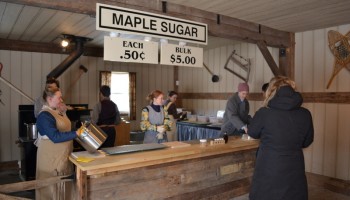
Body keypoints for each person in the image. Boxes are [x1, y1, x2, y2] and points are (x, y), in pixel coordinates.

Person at [248, 76, 314, 200]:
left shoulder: (264, 113)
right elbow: (307, 141)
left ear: (271, 92)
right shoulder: (305, 114)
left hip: (269, 165)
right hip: (294, 165)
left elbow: (252, 132)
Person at [35, 85, 82, 200]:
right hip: (51, 159)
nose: (62, 100)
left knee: (64, 187)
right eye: (59, 98)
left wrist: (64, 112)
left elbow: (64, 128)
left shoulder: (57, 111)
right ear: (50, 99)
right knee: (52, 189)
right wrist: (76, 133)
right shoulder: (44, 115)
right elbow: (55, 137)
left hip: (63, 156)